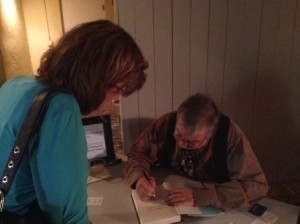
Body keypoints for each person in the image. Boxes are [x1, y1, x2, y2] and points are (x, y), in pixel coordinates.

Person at [0, 20, 147, 223]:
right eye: (118, 89)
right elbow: (67, 214)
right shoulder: (61, 108)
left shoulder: (16, 84)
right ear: (95, 75)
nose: (114, 100)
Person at [124, 93, 268, 210]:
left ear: (210, 134)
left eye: (192, 142)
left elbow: (257, 186)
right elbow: (137, 154)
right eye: (178, 134)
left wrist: (206, 196)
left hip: (211, 201)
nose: (181, 144)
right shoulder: (166, 122)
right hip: (168, 191)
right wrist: (139, 179)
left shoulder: (230, 136)